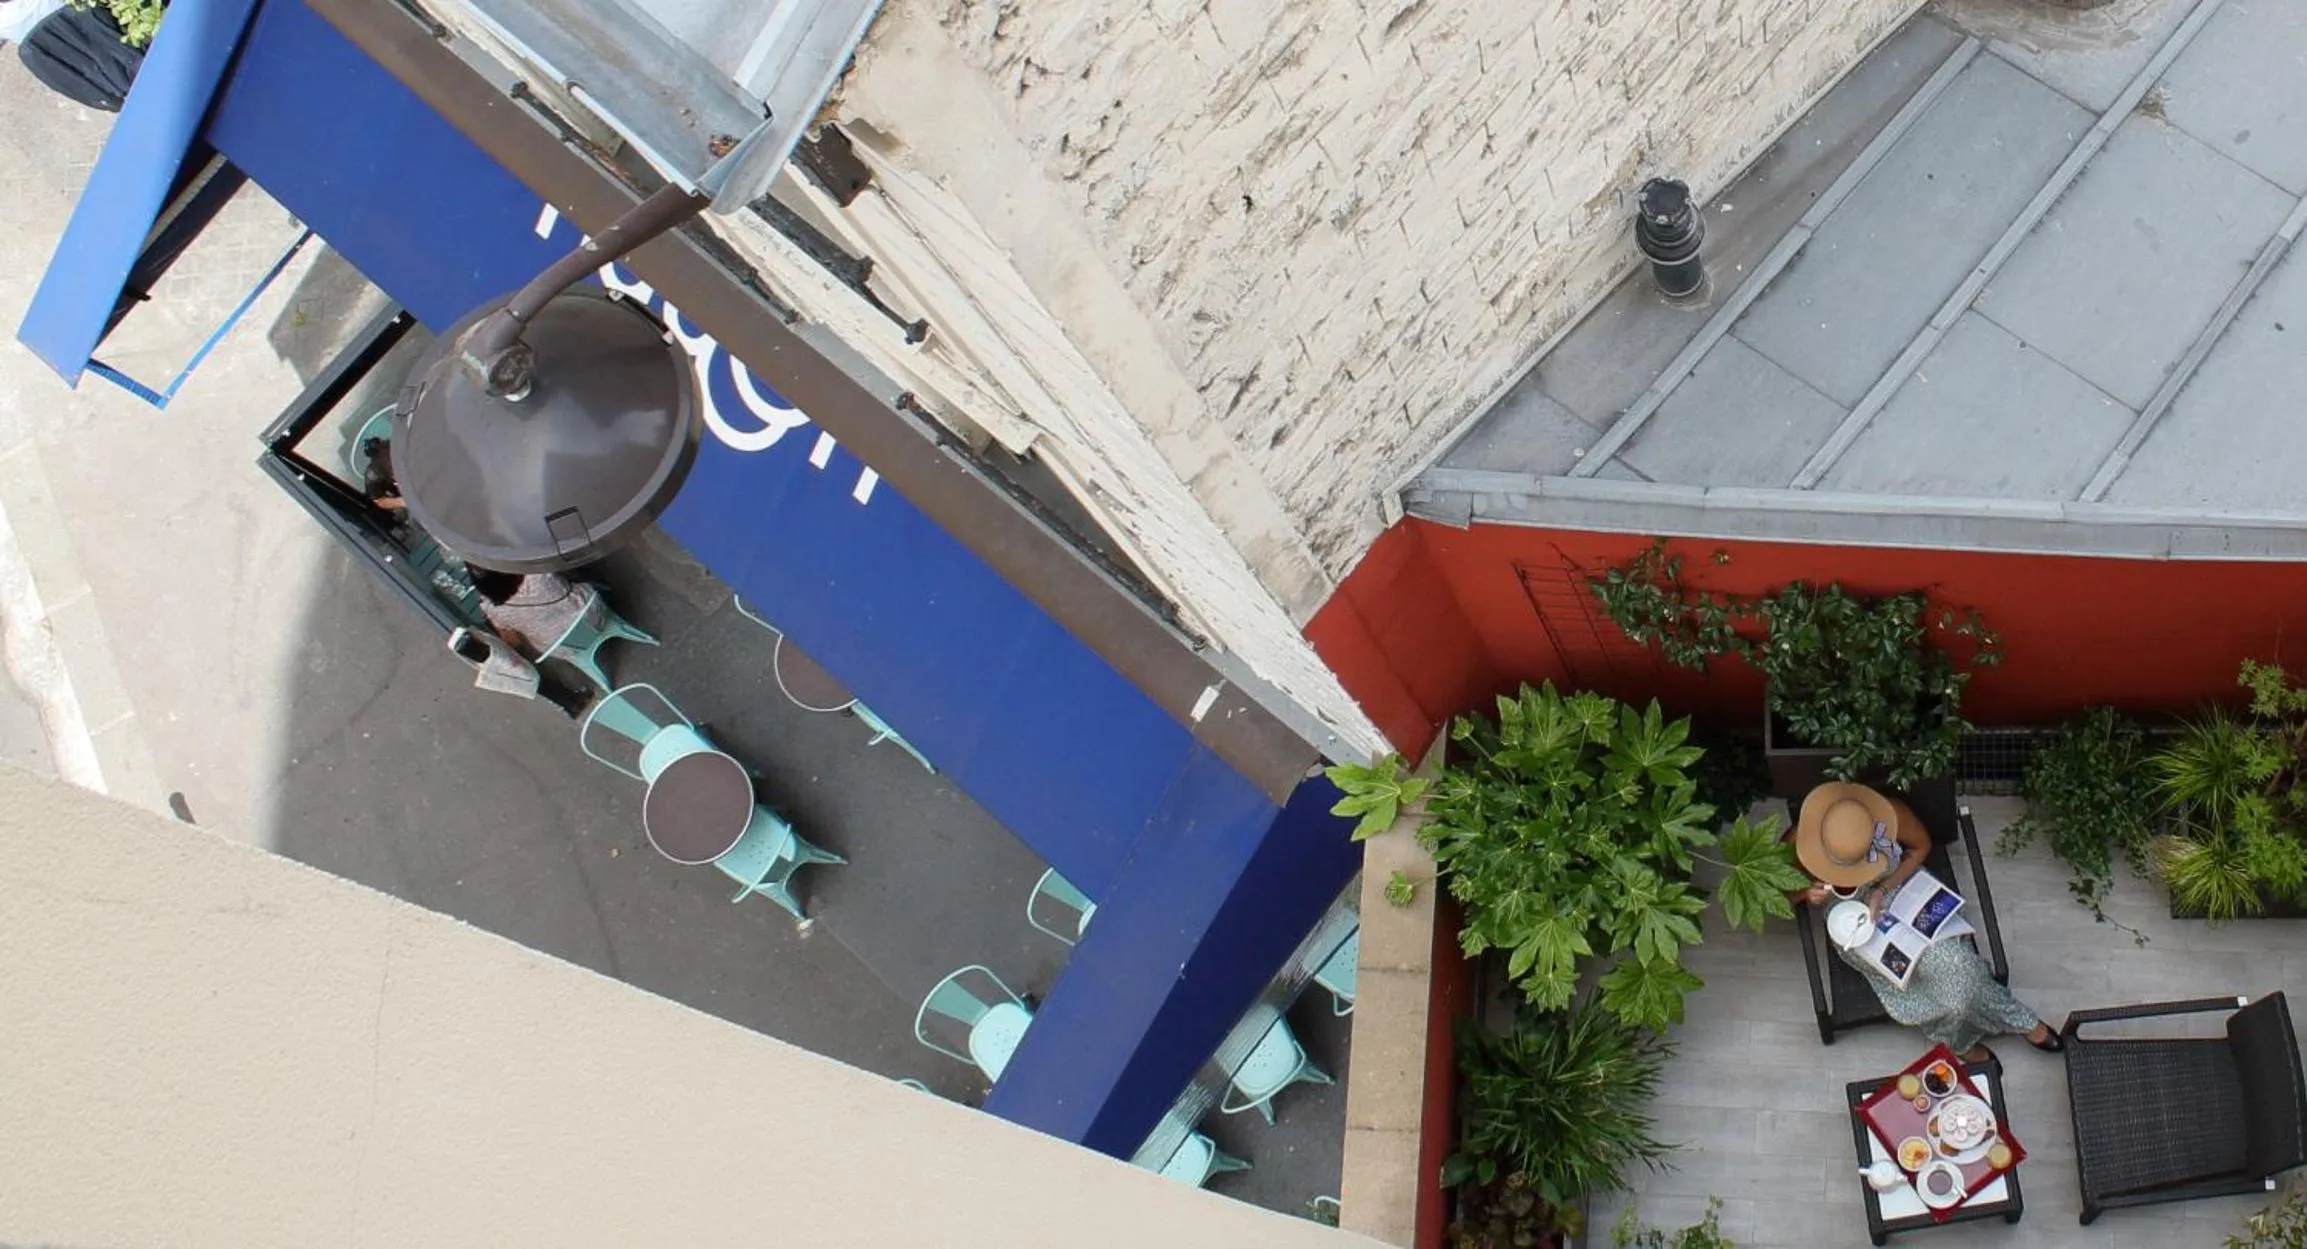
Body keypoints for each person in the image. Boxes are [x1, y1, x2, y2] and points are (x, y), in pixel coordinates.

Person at [1790, 781, 2063, 1063]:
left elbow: (1921, 846)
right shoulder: (1801, 840)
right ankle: (2009, 1025)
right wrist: (1806, 893)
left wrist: (1883, 890)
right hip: (1851, 920)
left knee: (1960, 971)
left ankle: (1968, 1037)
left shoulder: (1890, 814)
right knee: (1936, 985)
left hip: (1900, 891)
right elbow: (1779, 897)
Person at [445, 626, 590, 718]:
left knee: (546, 689)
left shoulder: (480, 661)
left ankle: (570, 705)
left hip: (520, 680)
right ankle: (574, 701)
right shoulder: (489, 649)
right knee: (548, 685)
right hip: (523, 671)